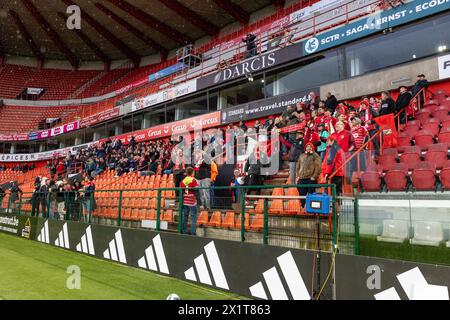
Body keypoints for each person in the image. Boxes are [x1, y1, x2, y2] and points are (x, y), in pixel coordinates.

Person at [296, 143, 322, 207]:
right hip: (302, 178)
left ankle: (310, 208)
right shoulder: (301, 155)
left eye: (310, 147)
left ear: (312, 148)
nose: (308, 148)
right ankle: (303, 206)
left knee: (311, 194)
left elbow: (318, 167)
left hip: (310, 179)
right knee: (301, 194)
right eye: (307, 146)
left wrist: (314, 176)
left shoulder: (315, 156)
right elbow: (298, 166)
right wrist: (298, 175)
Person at [180, 167, 200, 236]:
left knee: (185, 216)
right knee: (194, 217)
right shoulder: (193, 180)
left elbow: (183, 189)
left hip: (185, 200)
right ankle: (193, 232)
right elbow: (197, 188)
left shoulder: (183, 180)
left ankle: (184, 230)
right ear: (192, 172)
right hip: (192, 201)